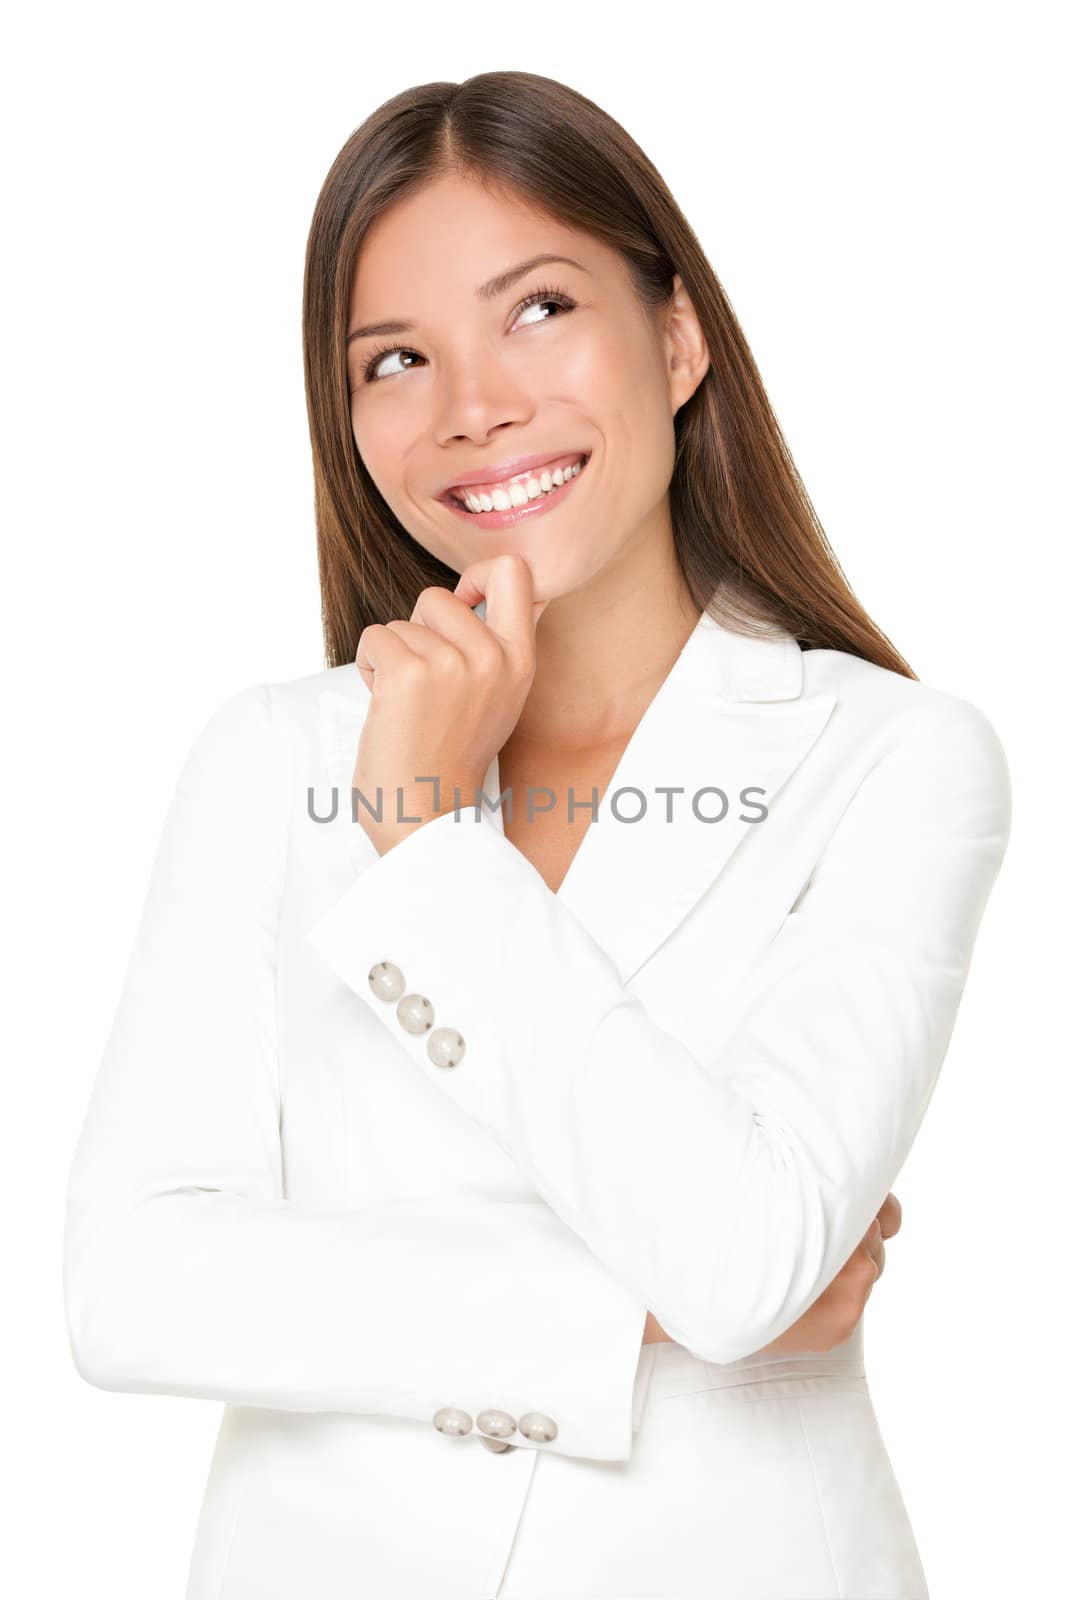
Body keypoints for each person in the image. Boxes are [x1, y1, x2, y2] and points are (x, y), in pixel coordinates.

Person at [63, 70, 1011, 1600]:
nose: (472, 407)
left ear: (681, 337)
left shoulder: (896, 760)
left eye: (540, 310)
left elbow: (747, 1261)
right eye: (395, 357)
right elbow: (128, 1288)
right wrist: (634, 1310)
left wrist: (430, 847)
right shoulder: (266, 761)